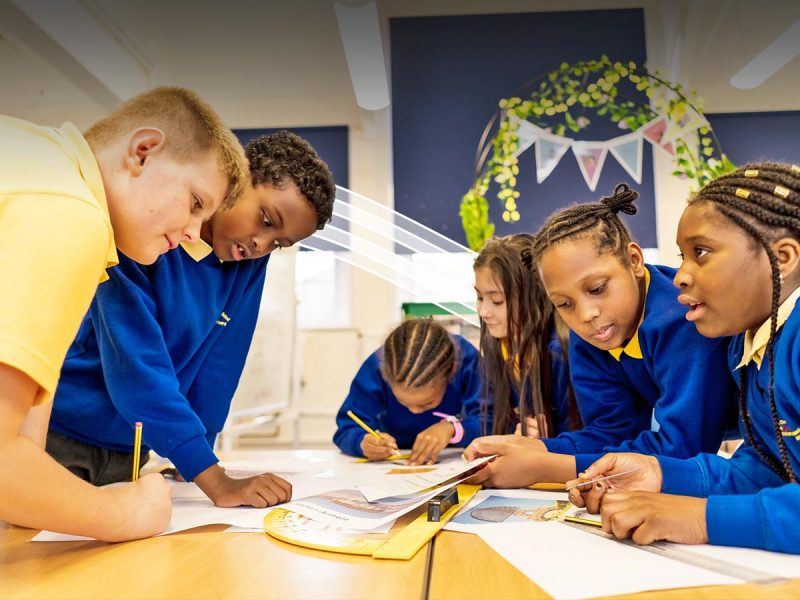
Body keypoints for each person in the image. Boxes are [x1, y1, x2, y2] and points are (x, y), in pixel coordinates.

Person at [0, 86, 249, 540]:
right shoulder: (71, 214)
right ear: (143, 152)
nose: (194, 234)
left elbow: (24, 426)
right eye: (195, 203)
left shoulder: (40, 165)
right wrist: (125, 514)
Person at [48, 131, 334, 508]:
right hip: (62, 439)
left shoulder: (248, 262)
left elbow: (222, 363)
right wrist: (214, 480)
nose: (262, 244)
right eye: (266, 220)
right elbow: (137, 369)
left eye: (279, 243)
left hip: (131, 451)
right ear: (237, 179)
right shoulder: (144, 233)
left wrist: (199, 457)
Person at [569, 163, 800, 554]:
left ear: (782, 257)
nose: (680, 275)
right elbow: (766, 470)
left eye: (701, 253)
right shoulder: (748, 348)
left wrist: (699, 518)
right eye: (683, 256)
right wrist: (661, 475)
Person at [465, 184, 737, 487]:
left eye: (596, 289)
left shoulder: (683, 317)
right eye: (564, 304)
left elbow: (683, 449)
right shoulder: (593, 333)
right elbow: (611, 433)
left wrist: (547, 466)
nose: (585, 315)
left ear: (634, 260)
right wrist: (536, 448)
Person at [473, 234, 579, 438]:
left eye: (497, 301)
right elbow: (494, 420)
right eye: (479, 297)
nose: (483, 311)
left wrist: (547, 441)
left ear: (534, 296)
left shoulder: (560, 353)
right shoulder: (498, 347)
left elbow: (585, 434)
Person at [333, 319, 482, 465]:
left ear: (451, 374)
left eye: (427, 403)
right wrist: (362, 442)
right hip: (394, 456)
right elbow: (346, 430)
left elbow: (490, 422)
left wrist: (454, 429)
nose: (414, 411)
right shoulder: (377, 366)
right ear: (385, 375)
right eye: (402, 401)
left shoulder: (466, 361)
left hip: (454, 458)